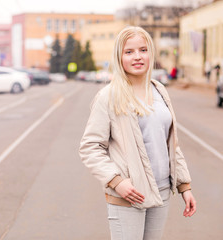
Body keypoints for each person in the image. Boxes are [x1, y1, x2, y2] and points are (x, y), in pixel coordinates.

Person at [79, 26, 196, 240]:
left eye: (143, 50)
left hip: (161, 192)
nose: (137, 57)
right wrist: (117, 182)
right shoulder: (109, 96)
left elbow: (171, 143)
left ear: (150, 53)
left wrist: (184, 186)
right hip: (129, 195)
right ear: (119, 57)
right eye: (129, 52)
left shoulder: (160, 90)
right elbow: (90, 147)